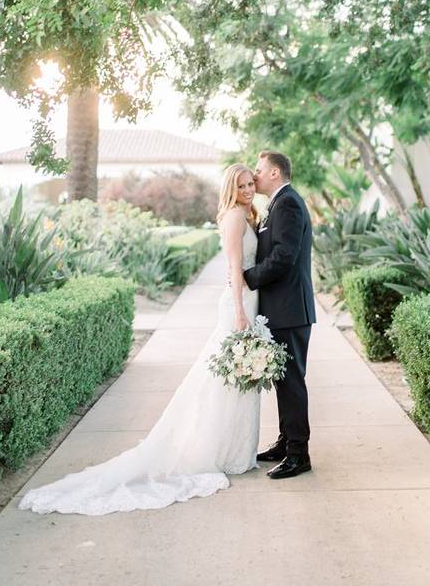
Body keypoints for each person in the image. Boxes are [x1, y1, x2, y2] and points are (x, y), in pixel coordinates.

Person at [18, 164, 262, 515]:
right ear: (230, 188)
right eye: (241, 185)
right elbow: (234, 268)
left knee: (234, 376)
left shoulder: (243, 213)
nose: (248, 189)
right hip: (239, 303)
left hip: (248, 302)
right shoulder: (236, 217)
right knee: (227, 376)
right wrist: (240, 311)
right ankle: (225, 450)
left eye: (250, 183)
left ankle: (234, 448)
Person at [244, 150, 317, 480]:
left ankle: (299, 454)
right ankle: (286, 442)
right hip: (280, 308)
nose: (254, 176)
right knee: (282, 380)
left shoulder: (287, 203)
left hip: (290, 308)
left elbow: (284, 256)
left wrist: (249, 278)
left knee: (291, 382)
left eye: (259, 170)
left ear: (275, 173)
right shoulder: (276, 203)